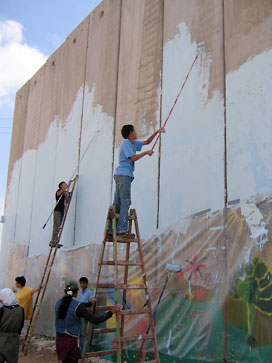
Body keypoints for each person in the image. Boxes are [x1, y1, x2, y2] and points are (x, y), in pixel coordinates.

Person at [112, 124, 165, 237]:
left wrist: (157, 132)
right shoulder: (126, 143)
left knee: (117, 203)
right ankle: (121, 230)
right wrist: (146, 153)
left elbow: (147, 142)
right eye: (134, 131)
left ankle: (112, 230)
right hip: (123, 175)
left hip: (121, 175)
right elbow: (133, 158)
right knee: (125, 202)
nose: (136, 132)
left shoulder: (133, 143)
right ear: (131, 133)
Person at [55, 280, 120, 363]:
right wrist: (111, 312)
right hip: (71, 342)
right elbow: (95, 320)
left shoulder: (58, 303)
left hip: (59, 341)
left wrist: (88, 303)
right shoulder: (77, 307)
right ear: (76, 293)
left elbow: (74, 305)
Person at [0, 288, 24, 363]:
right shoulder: (21, 310)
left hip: (1, 338)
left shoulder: (2, 310)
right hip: (14, 339)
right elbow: (21, 325)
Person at [49, 181, 70, 248]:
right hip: (57, 211)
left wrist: (66, 194)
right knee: (56, 226)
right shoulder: (59, 191)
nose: (66, 184)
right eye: (64, 184)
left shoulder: (65, 193)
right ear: (61, 186)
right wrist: (63, 190)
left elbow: (67, 201)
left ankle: (56, 241)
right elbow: (58, 194)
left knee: (58, 226)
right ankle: (53, 242)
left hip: (62, 211)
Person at [77, 277, 93, 353]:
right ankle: (81, 350)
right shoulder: (79, 292)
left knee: (84, 333)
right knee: (80, 333)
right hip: (79, 314)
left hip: (85, 314)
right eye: (81, 283)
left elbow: (90, 303)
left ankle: (86, 350)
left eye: (84, 283)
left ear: (86, 284)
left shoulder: (89, 292)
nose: (82, 284)